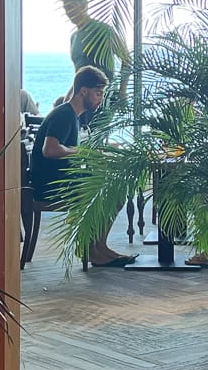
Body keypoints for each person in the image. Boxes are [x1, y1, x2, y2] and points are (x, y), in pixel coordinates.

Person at [29, 66, 136, 266]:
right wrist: (83, 152)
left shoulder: (71, 115)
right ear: (83, 91)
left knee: (112, 186)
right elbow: (50, 150)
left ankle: (97, 247)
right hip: (53, 187)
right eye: (98, 93)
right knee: (115, 190)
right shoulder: (64, 115)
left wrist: (94, 148)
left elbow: (66, 147)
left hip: (59, 181)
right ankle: (94, 248)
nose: (100, 99)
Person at [62, 0, 130, 107]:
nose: (68, 12)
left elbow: (127, 60)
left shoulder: (103, 31)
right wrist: (68, 98)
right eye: (66, 8)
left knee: (97, 125)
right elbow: (79, 73)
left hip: (102, 97)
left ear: (84, 6)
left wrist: (122, 92)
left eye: (71, 7)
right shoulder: (74, 37)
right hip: (81, 98)